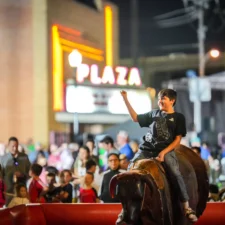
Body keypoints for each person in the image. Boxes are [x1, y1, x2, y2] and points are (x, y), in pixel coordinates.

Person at [117, 89, 198, 224]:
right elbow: (135, 118)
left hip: (165, 151)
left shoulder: (178, 118)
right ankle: (124, 210)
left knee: (175, 172)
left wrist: (164, 152)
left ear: (172, 101)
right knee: (129, 172)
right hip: (145, 150)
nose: (160, 101)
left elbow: (177, 140)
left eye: (164, 98)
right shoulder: (154, 113)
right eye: (160, 98)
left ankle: (186, 207)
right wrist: (125, 99)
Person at [0, 137, 30, 205]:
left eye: (16, 146)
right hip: (8, 192)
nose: (14, 148)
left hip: (21, 193)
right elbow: (1, 175)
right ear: (8, 146)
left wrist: (22, 174)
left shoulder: (24, 157)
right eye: (12, 146)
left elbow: (30, 172)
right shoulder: (2, 159)